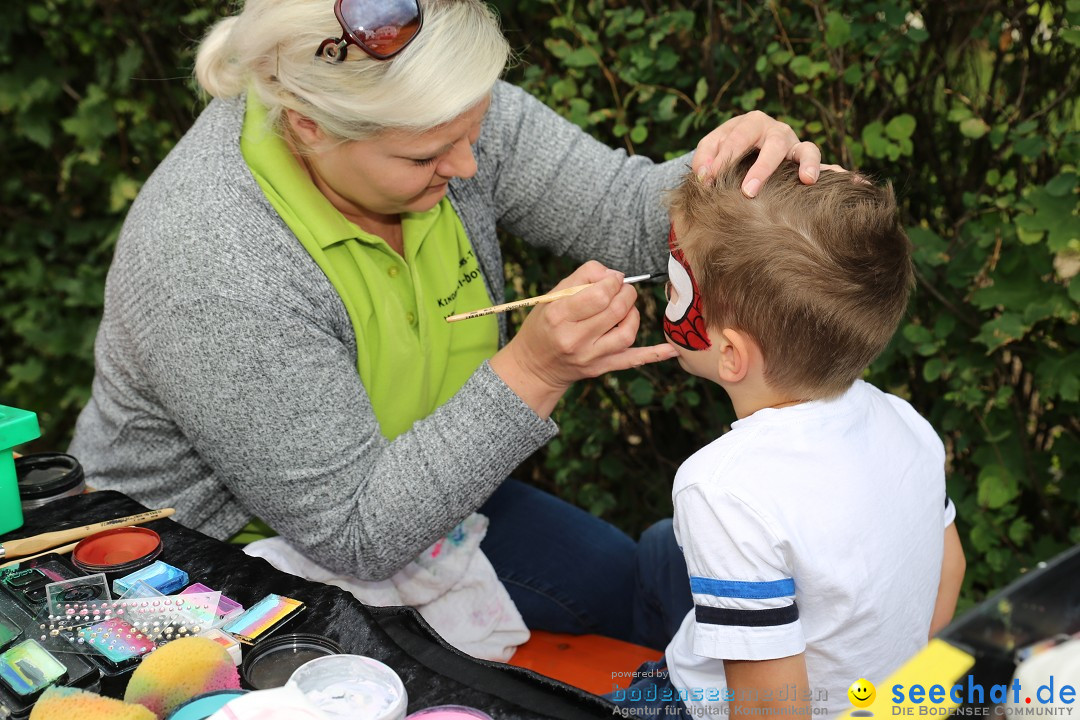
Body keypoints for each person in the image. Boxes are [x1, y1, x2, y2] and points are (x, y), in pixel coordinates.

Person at [68, 0, 827, 650]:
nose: (470, 166)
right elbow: (356, 533)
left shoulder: (439, 114)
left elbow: (624, 212)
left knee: (621, 584)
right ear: (306, 128)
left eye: (477, 126)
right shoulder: (213, 258)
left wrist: (735, 187)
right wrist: (532, 373)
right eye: (428, 154)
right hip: (199, 577)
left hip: (427, 500)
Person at [609, 153, 965, 716]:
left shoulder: (722, 490)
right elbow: (950, 568)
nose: (663, 292)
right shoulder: (905, 420)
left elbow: (769, 707)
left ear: (730, 353)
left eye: (676, 283)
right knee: (660, 550)